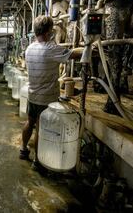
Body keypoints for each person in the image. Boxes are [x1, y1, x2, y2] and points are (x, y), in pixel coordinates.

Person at [19, 15, 82, 170]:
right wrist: (88, 47)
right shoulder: (50, 49)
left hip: (32, 94)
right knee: (41, 128)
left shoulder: (29, 48)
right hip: (46, 98)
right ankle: (37, 161)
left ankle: (23, 149)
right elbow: (73, 54)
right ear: (48, 32)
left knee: (29, 122)